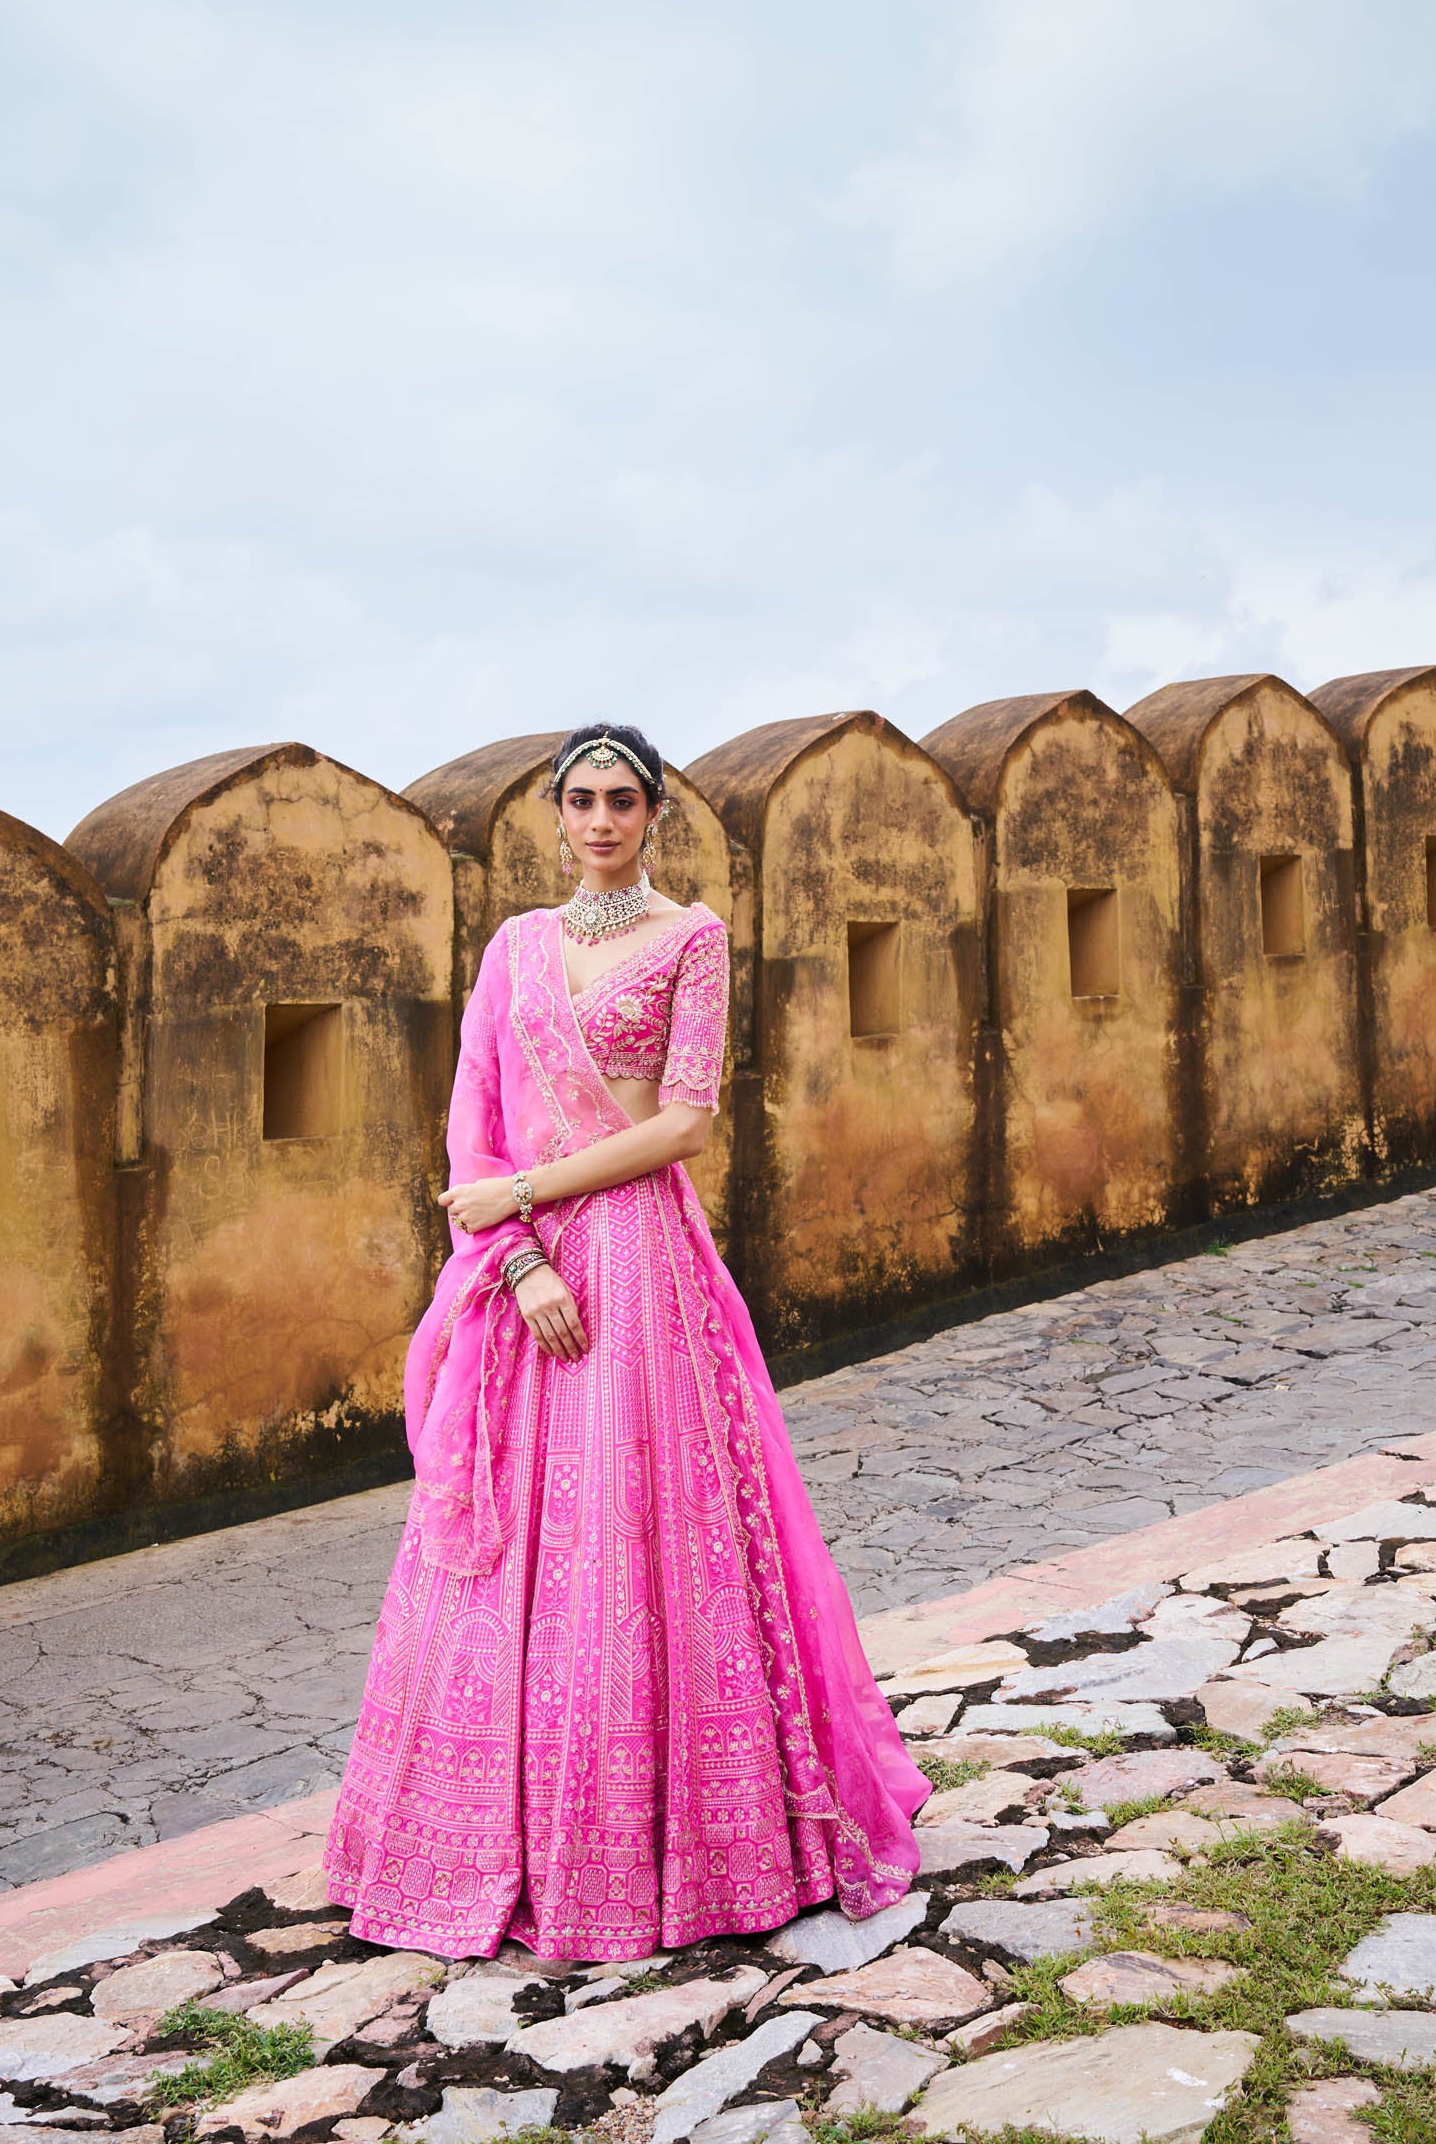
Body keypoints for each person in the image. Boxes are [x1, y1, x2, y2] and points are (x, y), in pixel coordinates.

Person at [324, 722, 929, 1960]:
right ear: (554, 813)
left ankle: (683, 1843)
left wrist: (531, 1202)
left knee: (644, 1530)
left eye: (623, 801)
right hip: (529, 1267)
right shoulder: (513, 948)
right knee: (508, 1542)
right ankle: (495, 1834)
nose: (601, 820)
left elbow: (687, 1124)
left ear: (654, 813)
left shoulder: (691, 938)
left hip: (643, 1266)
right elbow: (474, 1129)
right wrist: (522, 1253)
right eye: (581, 800)